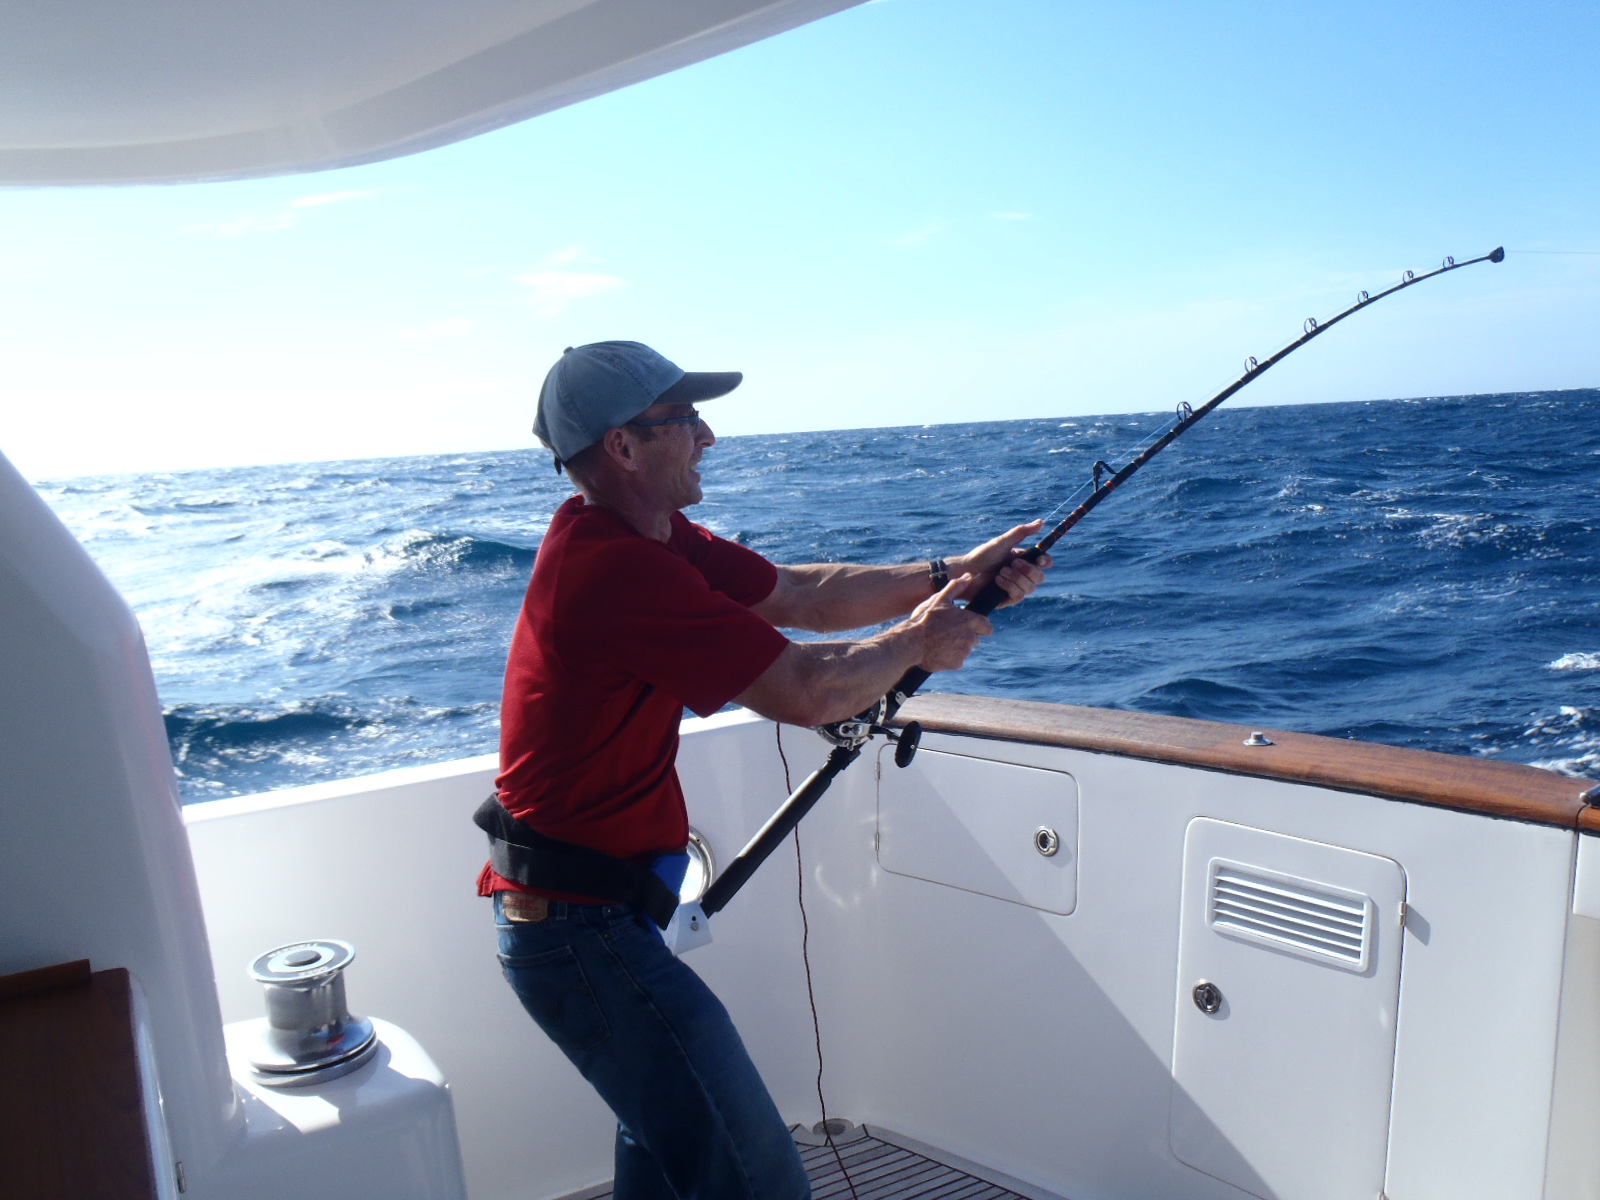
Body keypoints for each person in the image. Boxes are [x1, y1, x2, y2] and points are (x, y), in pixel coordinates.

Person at [478, 341, 1052, 1200]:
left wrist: (952, 574)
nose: (707, 436)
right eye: (684, 420)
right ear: (622, 447)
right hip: (579, 930)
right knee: (756, 1175)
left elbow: (802, 594)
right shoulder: (615, 569)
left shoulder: (648, 537)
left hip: (598, 914)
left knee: (668, 1152)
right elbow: (807, 690)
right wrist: (921, 641)